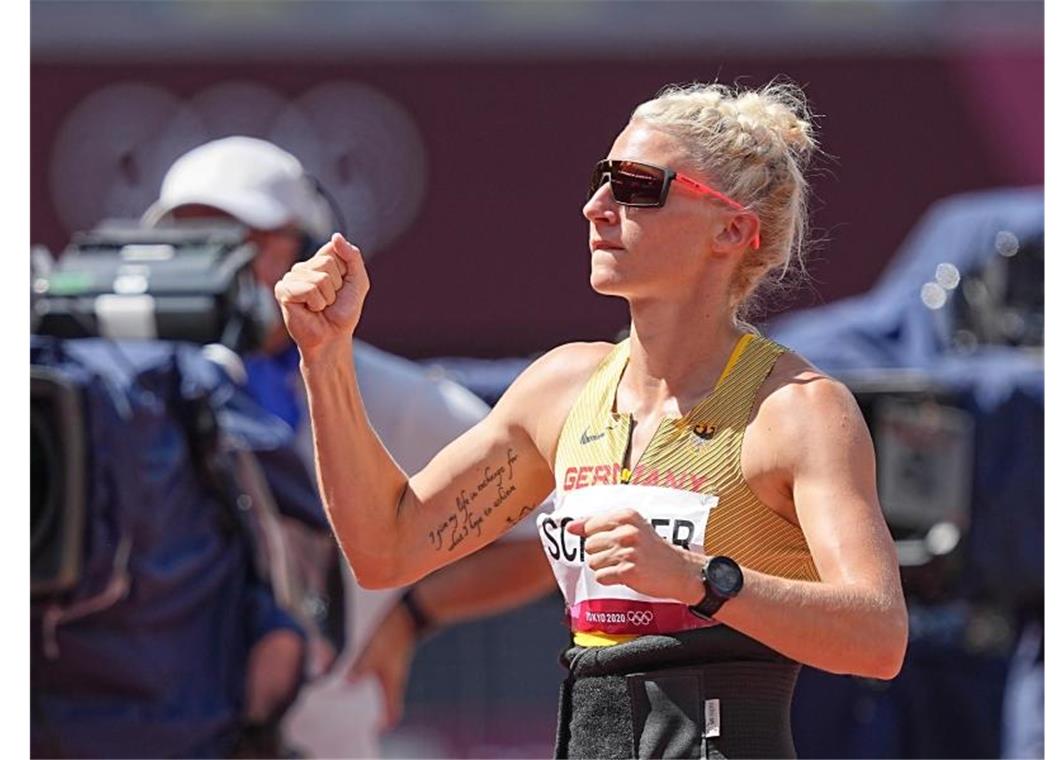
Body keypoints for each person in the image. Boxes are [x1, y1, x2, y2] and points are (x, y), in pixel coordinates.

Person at [275, 81, 908, 758]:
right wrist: (325, 356)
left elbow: (878, 639)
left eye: (636, 185)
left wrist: (702, 580)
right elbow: (387, 548)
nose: (596, 207)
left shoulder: (797, 410)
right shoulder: (562, 388)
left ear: (730, 229)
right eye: (601, 180)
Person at [143, 136, 554, 757]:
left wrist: (413, 615)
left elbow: (543, 539)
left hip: (323, 736)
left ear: (309, 249)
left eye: (242, 242)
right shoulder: (120, 395)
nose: (209, 262)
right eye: (185, 239)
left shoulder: (393, 396)